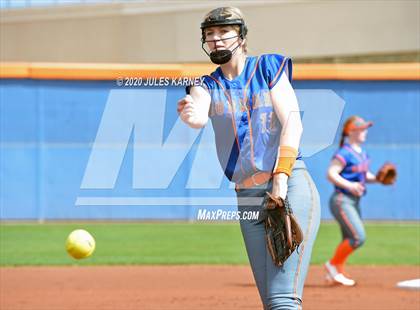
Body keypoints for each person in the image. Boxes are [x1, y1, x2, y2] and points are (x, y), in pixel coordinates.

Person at [177, 7, 320, 309]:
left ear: (241, 36)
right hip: (247, 197)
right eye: (209, 34)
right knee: (271, 302)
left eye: (223, 32)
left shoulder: (269, 67)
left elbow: (293, 123)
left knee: (283, 299)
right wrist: (193, 115)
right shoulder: (208, 84)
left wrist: (280, 179)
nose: (215, 39)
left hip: (289, 185)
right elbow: (199, 110)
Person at [324, 116, 378, 286]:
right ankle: (332, 265)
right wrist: (350, 185)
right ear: (351, 131)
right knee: (358, 237)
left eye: (365, 128)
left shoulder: (363, 154)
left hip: (354, 200)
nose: (365, 131)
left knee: (348, 237)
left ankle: (336, 273)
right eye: (361, 128)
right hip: (342, 200)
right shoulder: (344, 152)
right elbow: (331, 173)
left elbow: (364, 176)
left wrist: (379, 179)